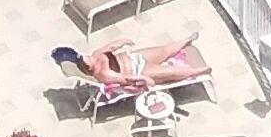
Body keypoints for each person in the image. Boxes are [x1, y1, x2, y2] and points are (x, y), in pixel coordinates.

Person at [57, 36, 205, 89]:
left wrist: (122, 42)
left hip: (135, 57)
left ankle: (185, 41)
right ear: (89, 68)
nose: (93, 57)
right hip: (138, 70)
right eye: (90, 60)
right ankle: (198, 72)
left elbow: (110, 47)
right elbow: (126, 80)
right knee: (170, 72)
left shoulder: (96, 55)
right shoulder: (104, 74)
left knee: (162, 50)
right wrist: (144, 79)